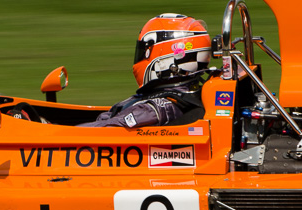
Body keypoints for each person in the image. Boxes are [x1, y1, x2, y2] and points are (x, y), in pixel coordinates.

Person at [78, 13, 212, 128]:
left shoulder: (153, 109)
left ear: (165, 60)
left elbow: (107, 128)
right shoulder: (181, 97)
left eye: (144, 51)